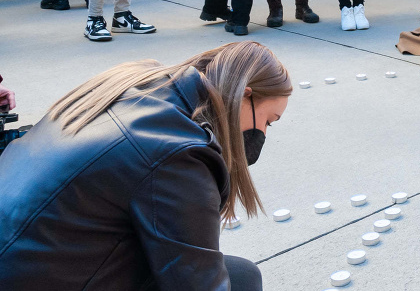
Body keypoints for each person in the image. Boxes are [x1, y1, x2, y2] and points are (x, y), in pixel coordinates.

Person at [0, 41, 291, 291]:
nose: (263, 133)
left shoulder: (137, 82)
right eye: (268, 120)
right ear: (245, 95)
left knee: (239, 274)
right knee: (241, 281)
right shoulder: (176, 153)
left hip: (22, 259)